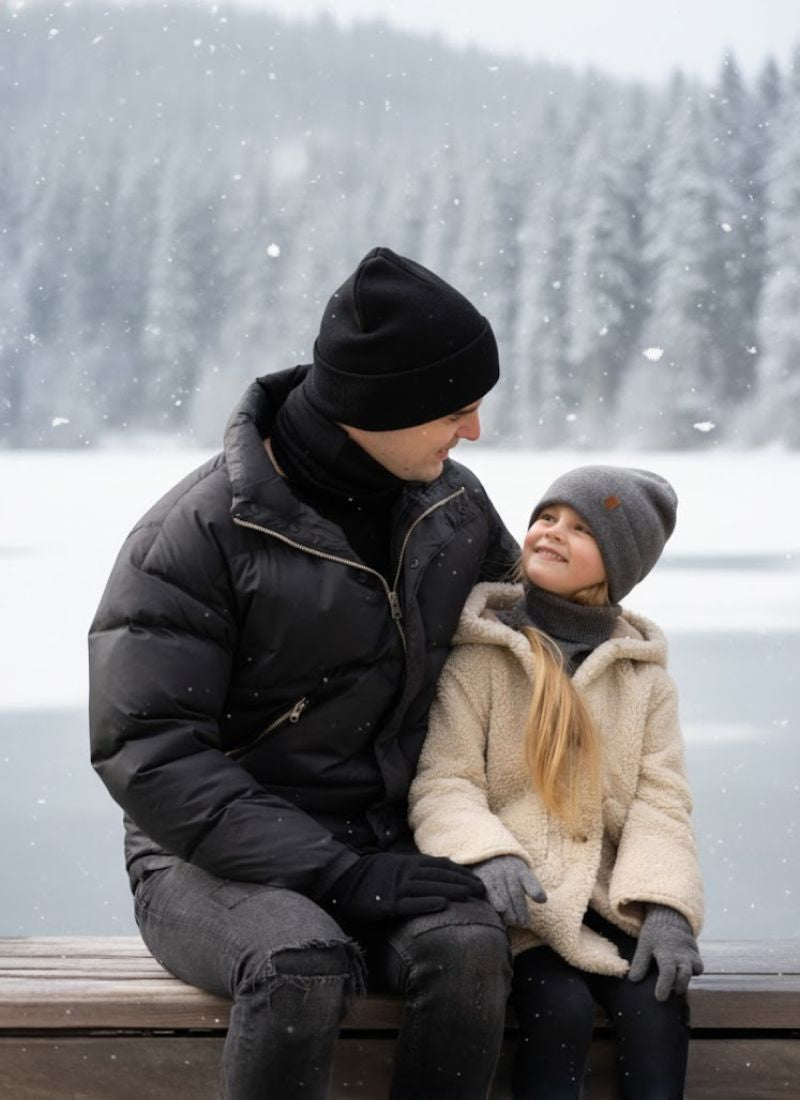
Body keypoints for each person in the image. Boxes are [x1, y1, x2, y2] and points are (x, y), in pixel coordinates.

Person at [88, 246, 520, 1100]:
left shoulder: (453, 508)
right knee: (302, 961)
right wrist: (337, 874)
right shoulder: (197, 534)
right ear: (381, 405)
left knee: (471, 949)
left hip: (391, 841)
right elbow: (148, 751)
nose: (474, 431)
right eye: (458, 408)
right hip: (205, 862)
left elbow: (527, 658)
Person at [409, 465, 704, 1100]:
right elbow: (445, 781)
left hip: (610, 903)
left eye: (580, 528)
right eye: (547, 517)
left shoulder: (644, 683)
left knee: (656, 1008)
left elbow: (661, 804)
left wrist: (667, 907)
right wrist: (488, 853)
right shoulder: (483, 658)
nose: (552, 533)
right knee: (559, 1009)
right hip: (523, 911)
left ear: (617, 565)